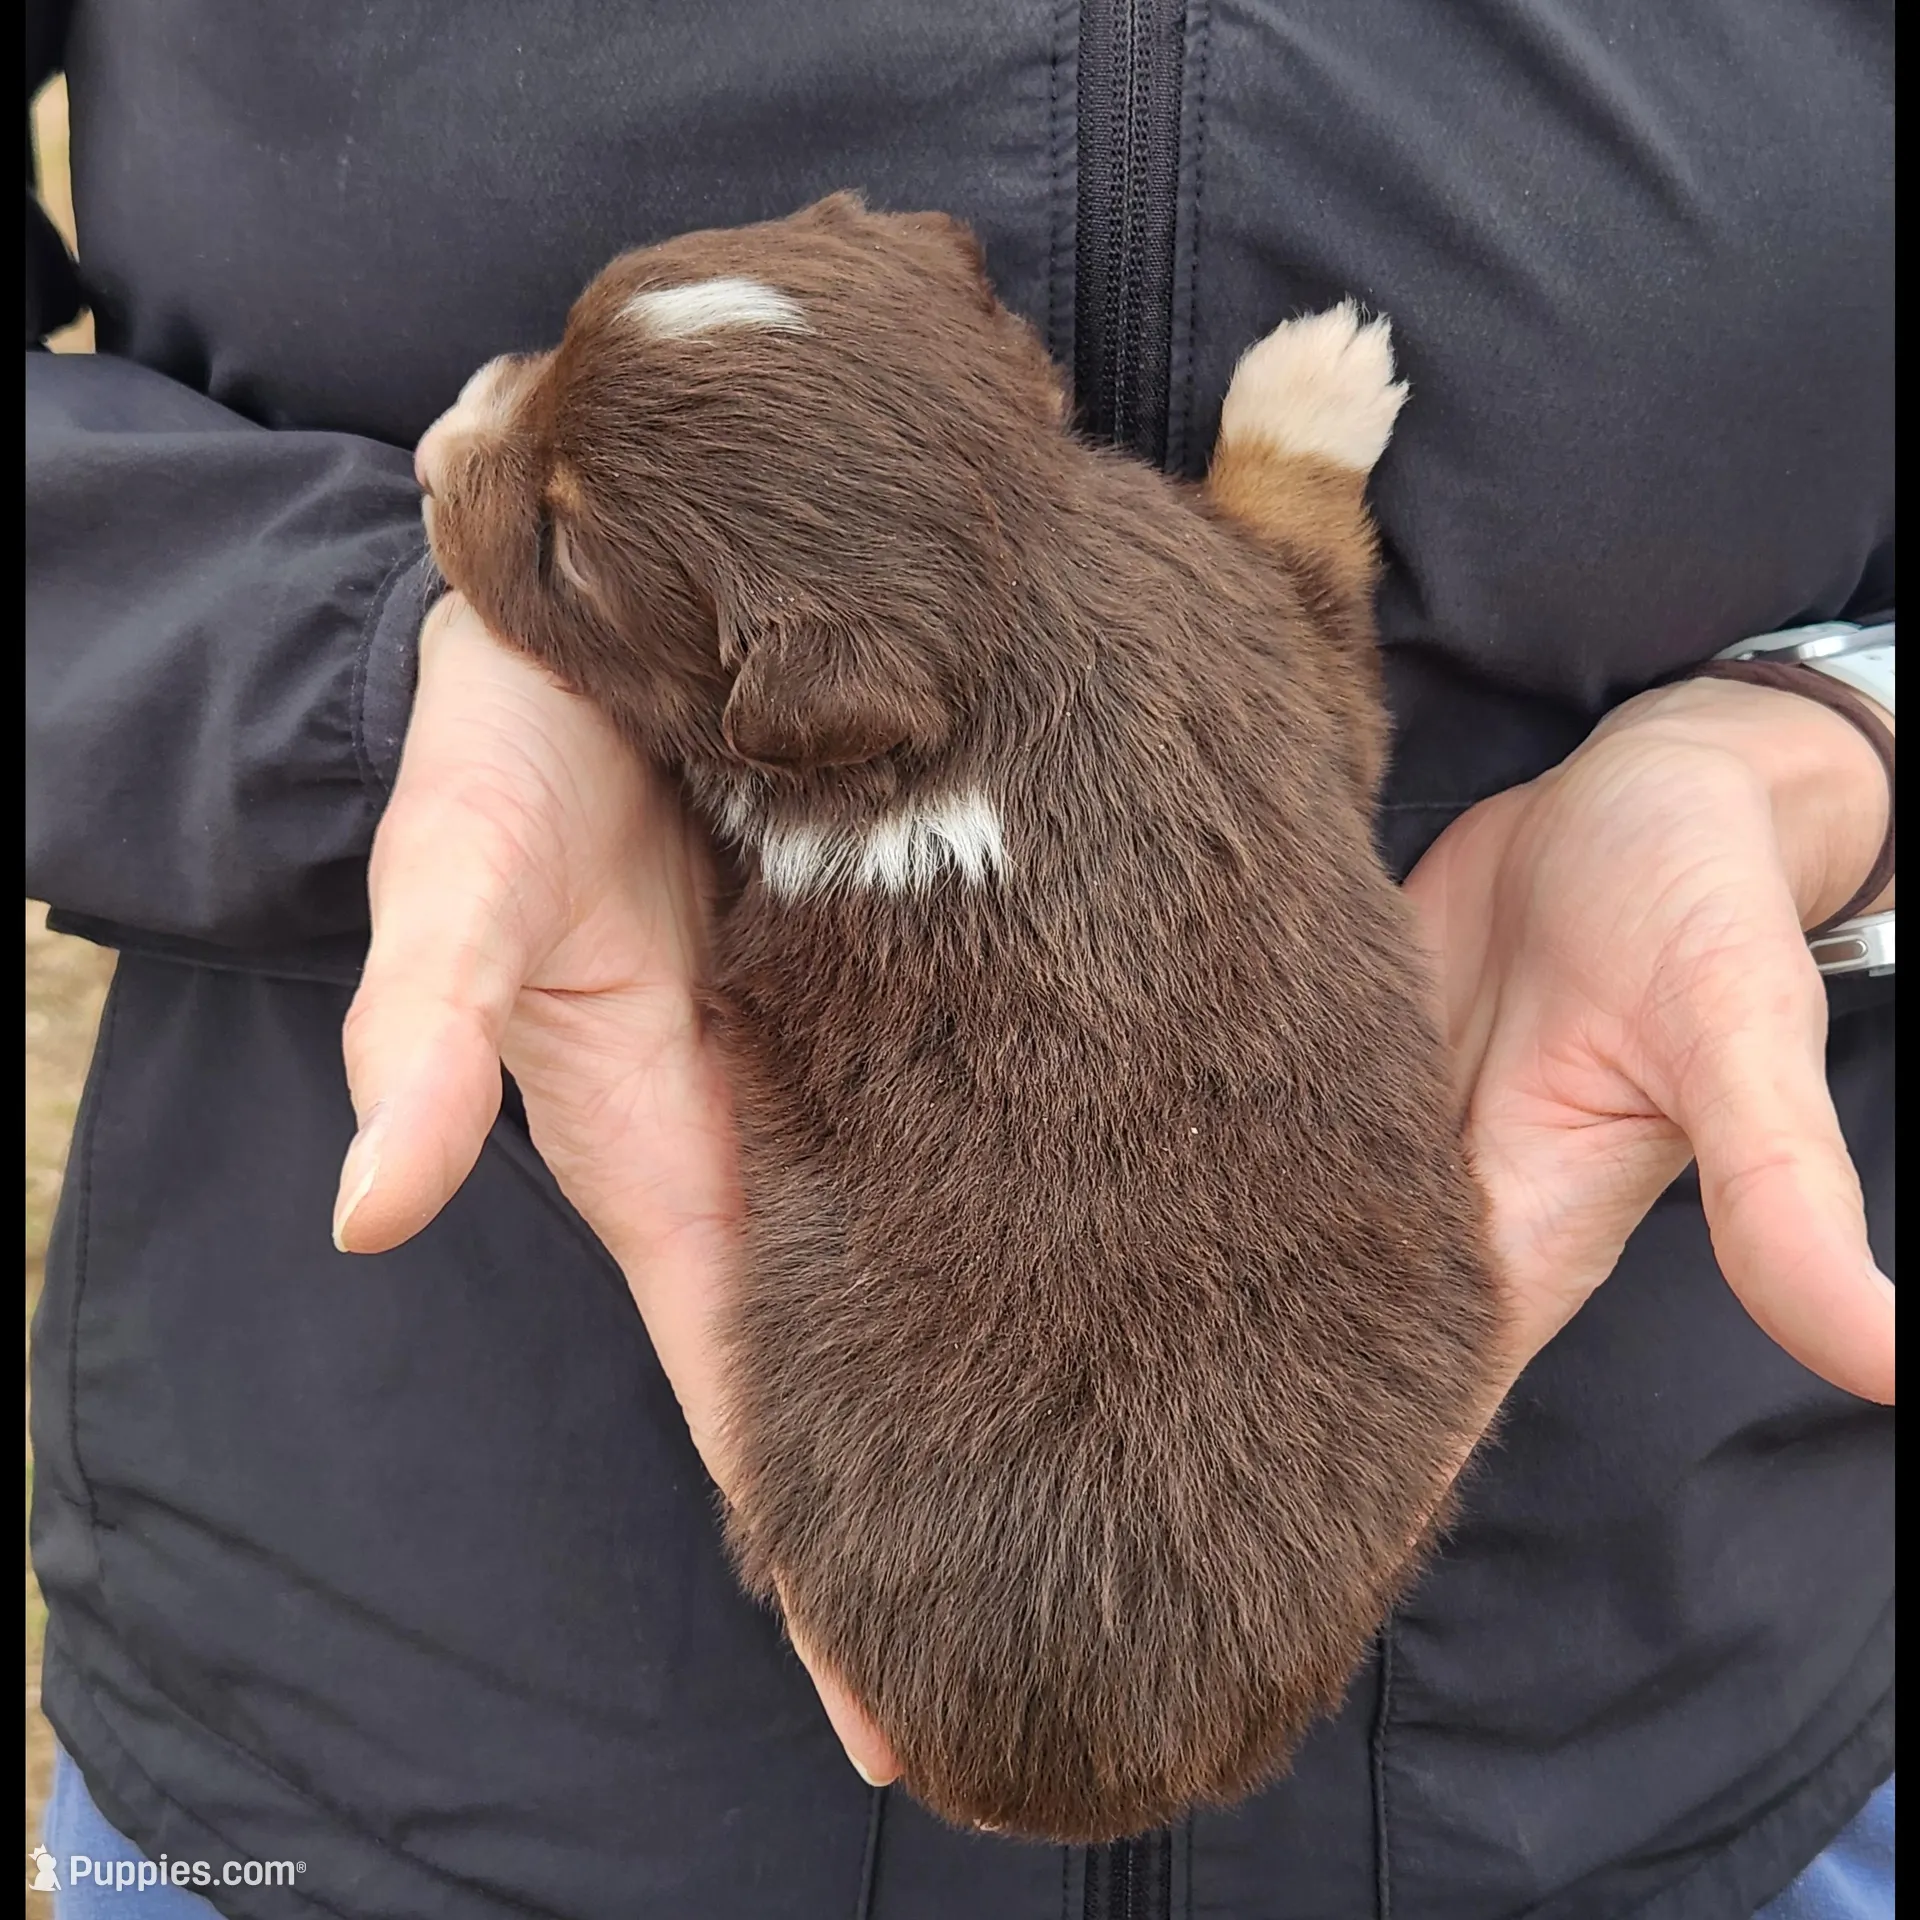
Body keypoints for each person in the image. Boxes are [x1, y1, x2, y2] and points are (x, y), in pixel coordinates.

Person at [26, 3, 1890, 1916]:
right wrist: (345, 660)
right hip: (376, 1748)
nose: (463, 449)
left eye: (553, 532)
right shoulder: (918, 671)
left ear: (801, 707)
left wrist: (1845, 743)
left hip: (1654, 1765)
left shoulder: (821, 743)